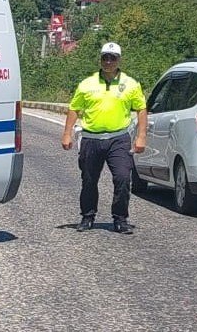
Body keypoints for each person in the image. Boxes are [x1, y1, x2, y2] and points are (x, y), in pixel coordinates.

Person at [61, 41, 147, 235]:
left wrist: (141, 136)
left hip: (119, 138)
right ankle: (87, 216)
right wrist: (67, 133)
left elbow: (141, 109)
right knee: (89, 180)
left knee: (123, 177)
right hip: (91, 138)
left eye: (112, 58)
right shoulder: (87, 84)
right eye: (105, 58)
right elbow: (74, 108)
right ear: (100, 59)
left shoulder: (131, 84)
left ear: (119, 60)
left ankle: (120, 219)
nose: (108, 62)